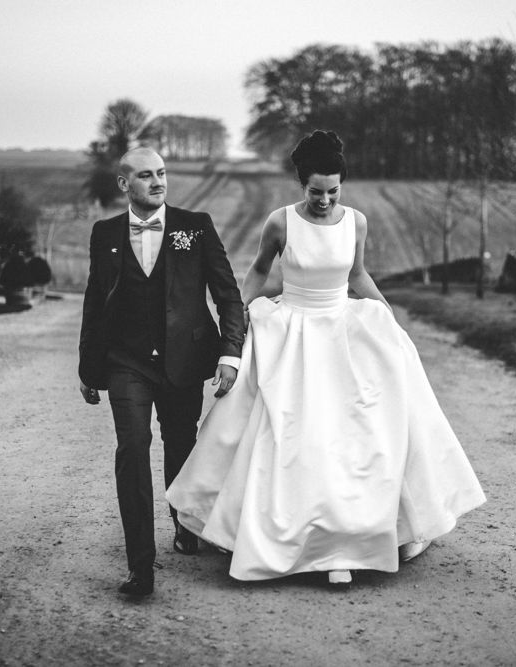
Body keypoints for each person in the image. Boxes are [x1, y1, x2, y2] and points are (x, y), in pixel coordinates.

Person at [166, 130, 486, 586]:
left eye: (332, 191)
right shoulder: (280, 222)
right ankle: (290, 539)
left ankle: (352, 539)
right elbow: (259, 270)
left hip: (341, 328)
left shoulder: (356, 221)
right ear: (303, 185)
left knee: (357, 433)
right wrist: (234, 326)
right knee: (292, 434)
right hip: (292, 330)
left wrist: (386, 316)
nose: (324, 200)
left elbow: (356, 273)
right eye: (316, 191)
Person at [78, 147, 244, 597]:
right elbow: (96, 301)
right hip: (125, 361)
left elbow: (229, 297)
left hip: (184, 361)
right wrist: (88, 368)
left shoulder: (196, 227)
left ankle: (184, 520)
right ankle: (141, 567)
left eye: (162, 174)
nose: (157, 182)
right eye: (146, 175)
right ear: (124, 184)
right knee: (132, 446)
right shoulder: (105, 233)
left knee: (181, 444)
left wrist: (229, 354)